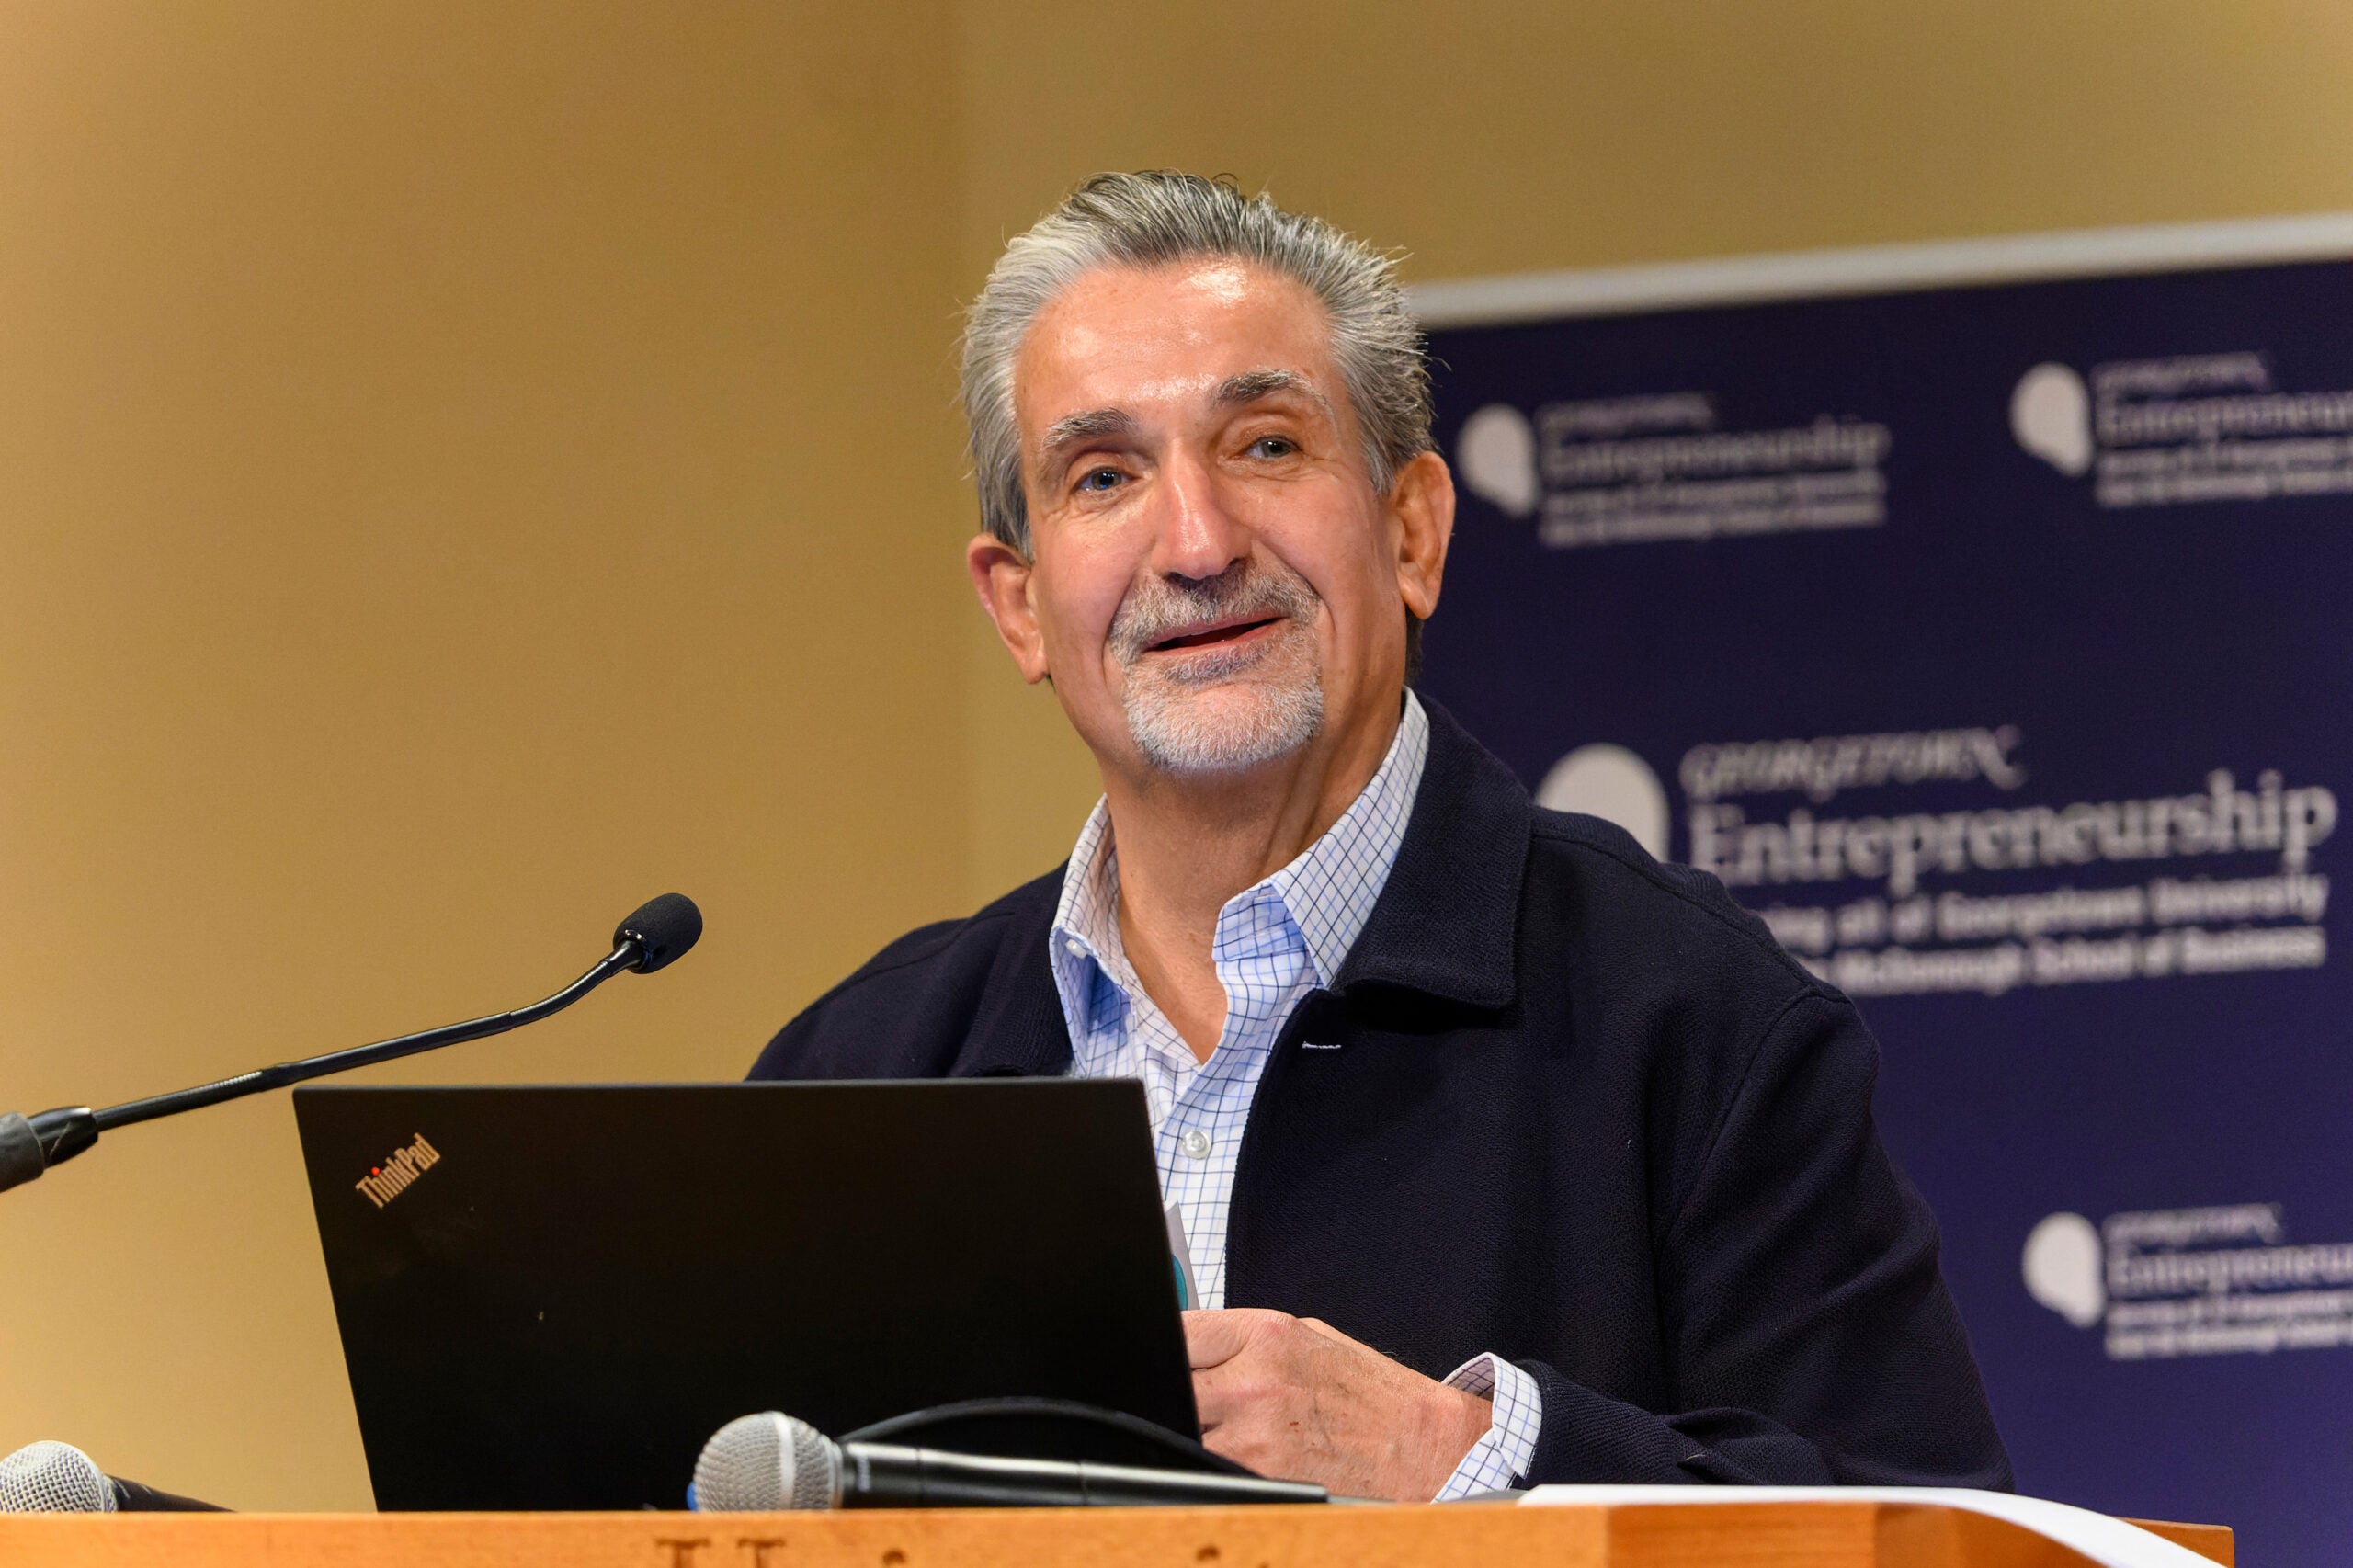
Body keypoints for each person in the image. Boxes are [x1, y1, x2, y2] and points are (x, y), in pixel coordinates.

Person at [750, 172, 2011, 1502]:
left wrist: (1466, 1461)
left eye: (1266, 447)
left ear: (1412, 530)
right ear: (1017, 607)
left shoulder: (1697, 1019)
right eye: (1104, 474)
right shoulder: (857, 1076)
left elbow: (1928, 1528)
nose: (1194, 541)